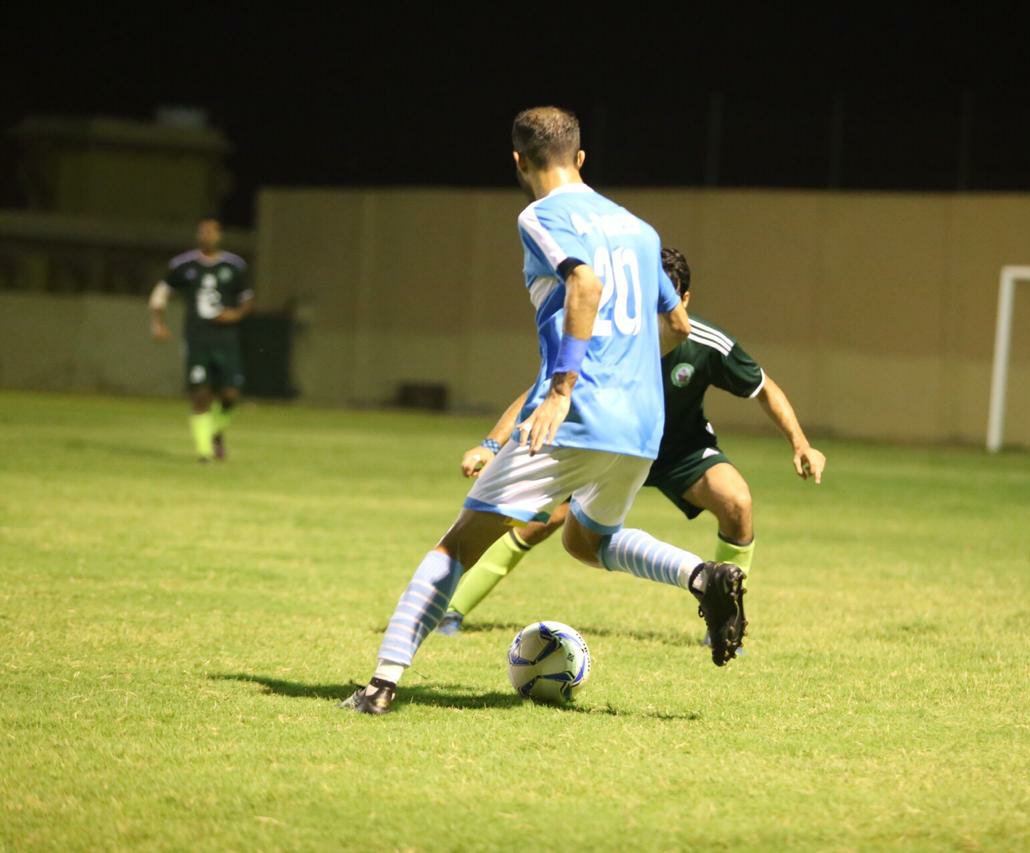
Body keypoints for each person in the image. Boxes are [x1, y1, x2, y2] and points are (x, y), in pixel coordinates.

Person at [341, 107, 747, 715]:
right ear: (581, 158)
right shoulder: (639, 229)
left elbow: (585, 284)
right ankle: (702, 576)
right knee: (588, 541)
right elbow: (678, 322)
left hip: (578, 413)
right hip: (642, 424)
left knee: (457, 546)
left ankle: (380, 686)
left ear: (518, 161)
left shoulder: (539, 215)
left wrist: (562, 389)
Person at [439, 247, 826, 637]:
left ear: (684, 300)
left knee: (737, 502)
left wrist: (801, 444)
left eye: (666, 301)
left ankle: (725, 618)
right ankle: (453, 610)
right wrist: (491, 445)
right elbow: (543, 392)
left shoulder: (706, 343)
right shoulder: (608, 337)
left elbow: (764, 387)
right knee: (541, 522)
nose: (656, 312)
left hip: (679, 451)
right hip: (607, 447)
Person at [148, 218, 254, 462]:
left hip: (226, 339)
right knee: (200, 395)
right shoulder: (183, 265)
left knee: (230, 395)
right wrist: (157, 323)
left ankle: (215, 432)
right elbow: (160, 294)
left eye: (212, 232)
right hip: (197, 339)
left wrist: (235, 314)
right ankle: (204, 452)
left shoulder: (234, 265)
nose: (207, 236)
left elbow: (247, 299)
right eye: (203, 232)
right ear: (198, 235)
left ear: (219, 235)